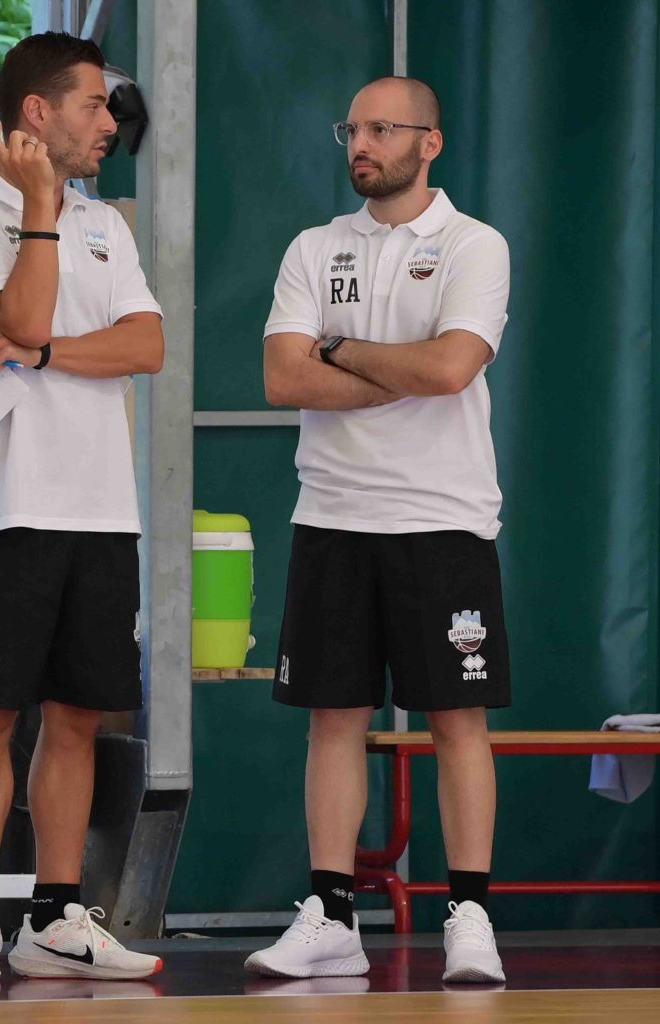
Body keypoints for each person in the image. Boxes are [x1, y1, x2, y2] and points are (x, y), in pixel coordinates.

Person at [245, 75, 512, 984]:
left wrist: (341, 349)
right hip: (332, 515)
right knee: (334, 719)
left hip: (442, 517)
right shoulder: (315, 247)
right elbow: (283, 379)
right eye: (352, 130)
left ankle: (469, 914)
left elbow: (451, 369)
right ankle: (330, 915)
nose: (361, 145)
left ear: (429, 143)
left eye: (382, 129)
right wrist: (398, 369)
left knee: (457, 720)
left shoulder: (474, 244)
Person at [0, 31, 164, 986]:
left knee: (76, 717)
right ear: (37, 111)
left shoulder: (107, 226)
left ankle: (57, 919)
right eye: (94, 105)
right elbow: (20, 315)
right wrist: (35, 210)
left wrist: (50, 353)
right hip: (7, 507)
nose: (109, 123)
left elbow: (144, 346)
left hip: (103, 509)